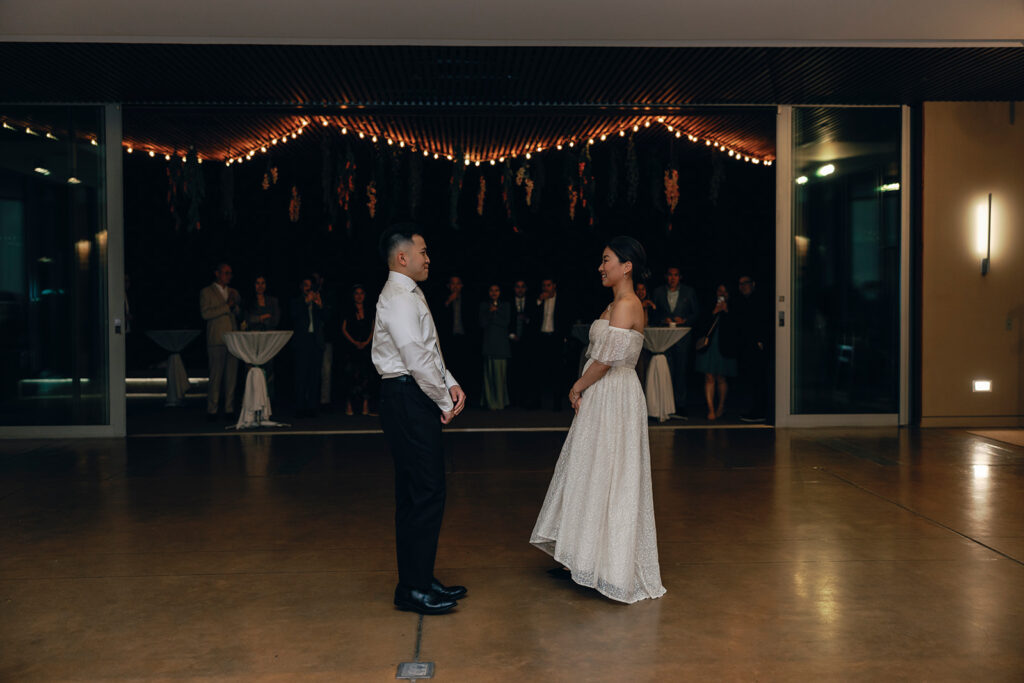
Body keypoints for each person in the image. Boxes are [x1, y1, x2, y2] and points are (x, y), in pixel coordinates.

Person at [531, 236, 666, 604]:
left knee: (612, 474)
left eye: (607, 260)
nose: (601, 266)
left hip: (614, 395)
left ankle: (611, 565)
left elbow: (607, 360)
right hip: (603, 393)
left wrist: (577, 387)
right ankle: (584, 556)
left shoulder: (626, 304)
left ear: (627, 266)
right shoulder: (614, 304)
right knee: (591, 470)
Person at [372, 224, 468, 616]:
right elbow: (413, 356)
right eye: (423, 252)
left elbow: (428, 350)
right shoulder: (397, 296)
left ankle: (419, 578)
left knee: (419, 493)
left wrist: (451, 381)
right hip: (407, 396)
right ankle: (412, 588)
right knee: (424, 492)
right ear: (402, 257)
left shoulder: (409, 293)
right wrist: (443, 399)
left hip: (413, 392)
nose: (429, 258)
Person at [651, 266, 699, 418]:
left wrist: (684, 320)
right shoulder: (658, 292)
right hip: (664, 337)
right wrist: (662, 319)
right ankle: (665, 404)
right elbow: (653, 312)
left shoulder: (688, 292)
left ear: (680, 277)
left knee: (681, 371)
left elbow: (696, 312)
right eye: (670, 275)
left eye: (676, 275)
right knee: (667, 370)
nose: (673, 278)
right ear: (666, 276)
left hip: (682, 337)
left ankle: (680, 405)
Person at [199, 263, 242, 421]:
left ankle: (229, 409)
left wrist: (234, 307)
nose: (229, 276)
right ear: (217, 273)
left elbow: (238, 313)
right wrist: (226, 306)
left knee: (231, 376)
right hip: (216, 338)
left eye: (230, 273)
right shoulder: (206, 292)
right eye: (226, 273)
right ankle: (212, 409)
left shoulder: (234, 292)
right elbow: (205, 313)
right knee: (216, 376)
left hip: (232, 339)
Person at [694, 283, 739, 421]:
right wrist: (714, 312)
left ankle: (720, 407)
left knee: (721, 377)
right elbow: (699, 324)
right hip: (709, 346)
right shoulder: (708, 306)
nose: (722, 294)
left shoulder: (734, 307)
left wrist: (726, 312)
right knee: (709, 377)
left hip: (725, 347)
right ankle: (711, 409)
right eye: (720, 290)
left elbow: (738, 329)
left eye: (725, 292)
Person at [734, 274, 770, 423]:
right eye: (740, 284)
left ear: (753, 284)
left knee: (759, 378)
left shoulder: (759, 300)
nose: (743, 286)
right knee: (751, 379)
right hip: (747, 346)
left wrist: (761, 340)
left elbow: (763, 321)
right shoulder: (743, 302)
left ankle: (759, 411)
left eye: (746, 283)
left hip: (757, 345)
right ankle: (754, 410)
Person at [289, 276, 325, 417]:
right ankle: (300, 407)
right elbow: (293, 316)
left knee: (314, 377)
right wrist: (306, 302)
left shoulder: (317, 300)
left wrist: (320, 305)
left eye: (310, 286)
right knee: (301, 376)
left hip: (315, 342)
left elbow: (327, 318)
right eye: (305, 285)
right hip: (302, 343)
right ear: (301, 287)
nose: (308, 288)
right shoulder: (297, 301)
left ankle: (312, 407)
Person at [534, 277, 571, 411]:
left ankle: (557, 404)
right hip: (541, 338)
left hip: (555, 339)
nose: (546, 288)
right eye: (544, 285)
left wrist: (565, 338)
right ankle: (537, 403)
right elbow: (531, 318)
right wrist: (539, 301)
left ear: (554, 286)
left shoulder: (562, 300)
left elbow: (567, 319)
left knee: (557, 372)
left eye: (548, 285)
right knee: (539, 371)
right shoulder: (539, 300)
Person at [341, 284, 376, 417]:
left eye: (361, 293)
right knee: (351, 376)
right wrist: (354, 342)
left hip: (366, 347)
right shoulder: (348, 310)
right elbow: (343, 329)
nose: (359, 296)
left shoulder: (369, 310)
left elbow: (373, 327)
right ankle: (349, 405)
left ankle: (365, 405)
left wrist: (367, 342)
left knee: (366, 376)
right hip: (352, 348)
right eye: (357, 293)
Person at [245, 275, 281, 397]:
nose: (260, 286)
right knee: (252, 370)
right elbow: (247, 319)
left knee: (269, 371)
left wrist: (259, 320)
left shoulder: (273, 301)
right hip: (252, 341)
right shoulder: (248, 301)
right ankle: (252, 400)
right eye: (257, 283)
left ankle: (267, 401)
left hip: (268, 341)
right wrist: (262, 317)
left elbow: (275, 320)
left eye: (263, 283)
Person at [479, 284, 511, 410]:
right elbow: (482, 323)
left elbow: (505, 322)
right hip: (488, 345)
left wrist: (495, 312)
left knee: (500, 376)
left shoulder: (505, 305)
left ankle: (500, 402)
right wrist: (490, 312)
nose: (494, 293)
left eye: (496, 290)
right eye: (491, 290)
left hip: (501, 345)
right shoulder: (484, 306)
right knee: (489, 375)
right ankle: (489, 402)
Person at [508, 279, 534, 408]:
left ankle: (525, 401)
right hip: (511, 342)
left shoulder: (531, 302)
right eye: (517, 287)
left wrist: (527, 319)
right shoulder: (508, 302)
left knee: (526, 371)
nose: (520, 289)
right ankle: (513, 401)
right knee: (512, 371)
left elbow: (535, 320)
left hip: (527, 343)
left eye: (522, 287)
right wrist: (511, 335)